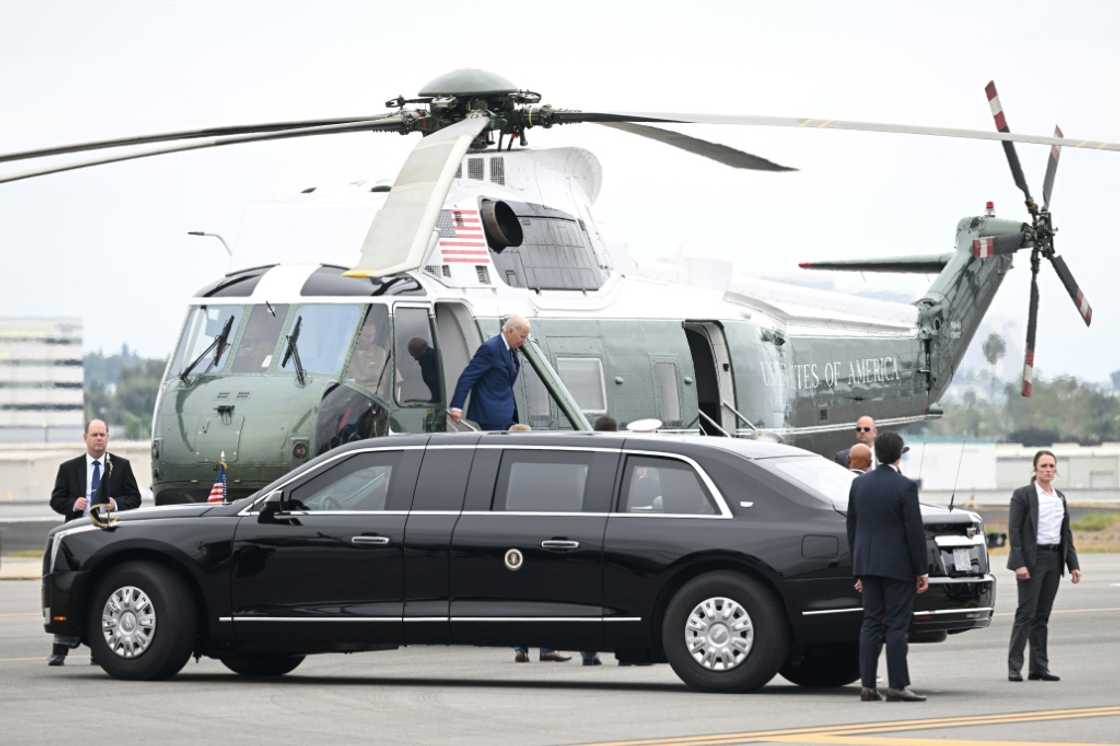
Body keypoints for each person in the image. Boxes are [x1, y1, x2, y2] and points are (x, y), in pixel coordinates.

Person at [46, 419, 141, 666]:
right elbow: (56, 501)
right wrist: (71, 505)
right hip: (77, 536)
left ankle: (98, 651)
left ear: (108, 437)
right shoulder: (69, 468)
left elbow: (135, 499)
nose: (99, 439)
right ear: (85, 438)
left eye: (103, 435)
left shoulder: (120, 466)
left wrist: (116, 504)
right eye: (94, 434)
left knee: (103, 589)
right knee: (69, 589)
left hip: (108, 536)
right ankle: (60, 649)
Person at [846, 431, 929, 702]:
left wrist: (857, 568)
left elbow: (852, 527)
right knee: (896, 625)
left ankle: (867, 686)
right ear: (899, 455)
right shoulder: (905, 487)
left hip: (867, 564)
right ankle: (897, 684)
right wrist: (922, 570)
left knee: (870, 623)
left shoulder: (859, 485)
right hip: (898, 566)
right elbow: (914, 532)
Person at [1006, 450, 1082, 682]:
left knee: (1042, 617)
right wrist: (1019, 563)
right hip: (1032, 560)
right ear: (1035, 469)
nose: (1048, 470)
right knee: (1026, 614)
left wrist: (1073, 564)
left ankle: (1039, 667)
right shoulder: (1023, 495)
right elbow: (1015, 530)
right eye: (1044, 466)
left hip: (1053, 559)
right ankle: (1014, 666)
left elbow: (1066, 533)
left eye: (1051, 466)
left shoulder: (1059, 497)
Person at [449, 316, 530, 431]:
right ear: (511, 331)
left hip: (505, 414)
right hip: (490, 415)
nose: (524, 341)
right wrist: (457, 406)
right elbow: (468, 376)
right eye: (522, 337)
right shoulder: (490, 348)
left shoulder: (511, 349)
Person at [406, 336, 441, 402]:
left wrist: (434, 400)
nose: (415, 359)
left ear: (418, 352)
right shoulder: (434, 355)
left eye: (413, 355)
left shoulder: (427, 361)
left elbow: (433, 382)